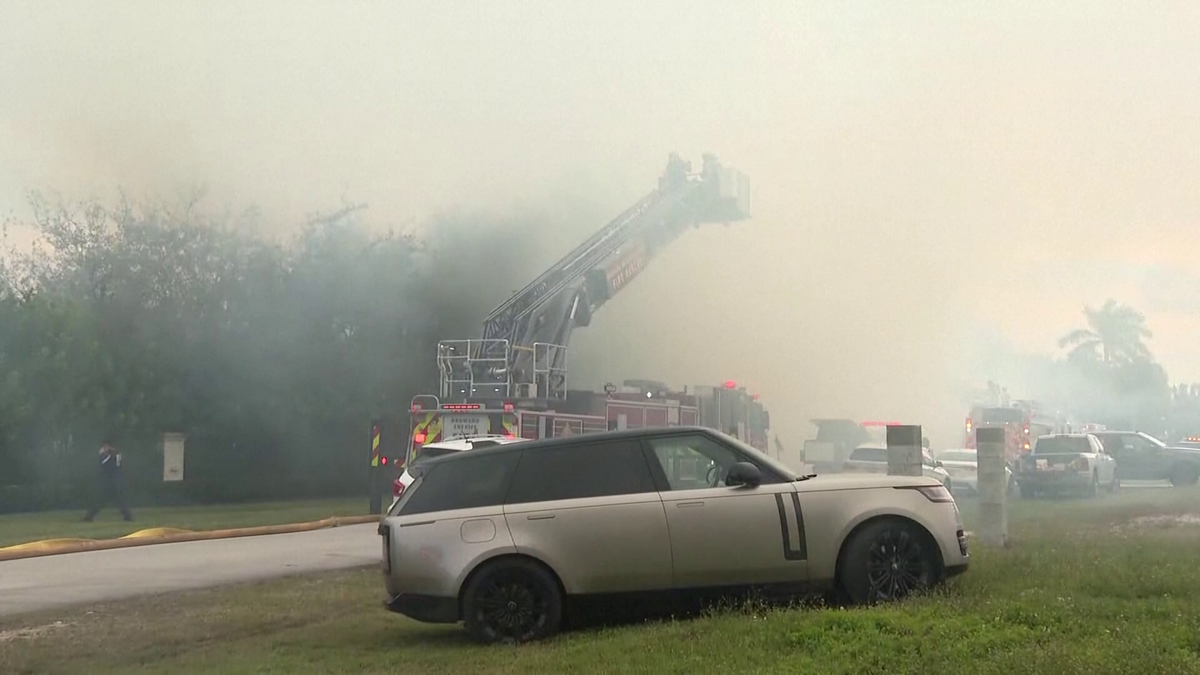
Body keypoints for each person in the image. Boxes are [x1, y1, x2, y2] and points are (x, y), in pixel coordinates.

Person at [82, 440, 133, 522]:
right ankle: (128, 516)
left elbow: (103, 463)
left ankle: (89, 517)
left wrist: (102, 454)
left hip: (110, 481)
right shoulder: (118, 453)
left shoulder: (109, 455)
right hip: (116, 480)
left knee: (100, 499)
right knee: (120, 500)